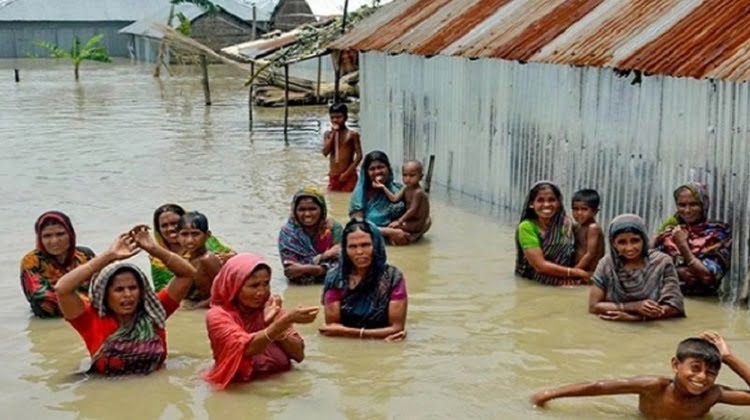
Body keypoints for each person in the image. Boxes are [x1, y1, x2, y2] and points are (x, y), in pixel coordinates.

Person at [54, 225, 196, 375]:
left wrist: (154, 249)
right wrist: (109, 256)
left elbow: (187, 274)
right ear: (105, 294)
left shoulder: (154, 312)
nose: (128, 294)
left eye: (133, 288)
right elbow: (62, 289)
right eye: (119, 290)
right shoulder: (91, 319)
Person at [531, 332, 750, 418]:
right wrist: (549, 394)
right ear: (676, 365)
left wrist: (729, 358)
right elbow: (599, 386)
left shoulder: (712, 395)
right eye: (695, 368)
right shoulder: (653, 386)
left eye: (710, 373)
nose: (702, 377)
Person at [204, 254, 319, 390]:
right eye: (254, 286)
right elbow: (246, 348)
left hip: (278, 389)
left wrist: (274, 323)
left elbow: (299, 355)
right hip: (238, 390)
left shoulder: (271, 307)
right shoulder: (217, 316)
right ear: (234, 286)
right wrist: (283, 322)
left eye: (266, 284)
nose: (261, 292)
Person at [319, 219, 407, 341]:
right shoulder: (335, 278)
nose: (359, 252)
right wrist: (368, 335)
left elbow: (397, 328)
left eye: (365, 245)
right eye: (352, 247)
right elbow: (332, 327)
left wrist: (356, 333)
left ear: (376, 245)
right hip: (358, 343)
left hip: (378, 344)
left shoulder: (393, 278)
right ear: (345, 249)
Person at [589, 214, 685, 322]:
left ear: (644, 239)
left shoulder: (662, 263)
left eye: (635, 240)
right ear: (613, 243)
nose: (629, 248)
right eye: (622, 242)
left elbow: (674, 307)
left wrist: (634, 318)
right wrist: (633, 306)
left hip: (653, 327)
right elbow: (594, 306)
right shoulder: (607, 264)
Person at [654, 182, 732, 296]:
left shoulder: (717, 233)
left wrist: (683, 246)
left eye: (693, 204)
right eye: (682, 205)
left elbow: (707, 277)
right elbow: (643, 267)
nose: (687, 210)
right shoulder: (670, 232)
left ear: (704, 204)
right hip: (664, 297)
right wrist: (677, 272)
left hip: (704, 301)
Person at [20, 211, 95, 318]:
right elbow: (43, 297)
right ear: (40, 238)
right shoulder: (32, 261)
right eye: (47, 236)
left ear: (70, 235)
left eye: (60, 234)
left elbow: (104, 283)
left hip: (89, 313)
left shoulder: (85, 255)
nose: (54, 241)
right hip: (51, 318)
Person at [515, 181, 589, 286]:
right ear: (531, 204)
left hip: (565, 280)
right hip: (534, 283)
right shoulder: (527, 227)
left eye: (551, 200)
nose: (546, 205)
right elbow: (540, 266)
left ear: (558, 203)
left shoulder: (566, 224)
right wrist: (574, 273)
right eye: (540, 200)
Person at [151, 203, 233, 291]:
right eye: (164, 225)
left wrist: (226, 259)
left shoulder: (206, 243)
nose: (170, 228)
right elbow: (161, 290)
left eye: (174, 223)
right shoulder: (158, 259)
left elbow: (233, 263)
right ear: (158, 230)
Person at [349, 151, 420, 245]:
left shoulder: (398, 189)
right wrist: (390, 232)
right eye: (372, 169)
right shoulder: (360, 195)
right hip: (375, 237)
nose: (377, 172)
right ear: (366, 173)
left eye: (381, 167)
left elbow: (417, 215)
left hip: (402, 235)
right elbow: (357, 226)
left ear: (388, 169)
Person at [278, 187, 343, 285]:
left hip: (331, 285)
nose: (307, 214)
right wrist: (324, 257)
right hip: (299, 287)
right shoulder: (288, 233)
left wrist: (306, 268)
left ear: (322, 209)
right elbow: (291, 271)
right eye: (302, 209)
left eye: (312, 209)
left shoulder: (334, 228)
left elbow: (344, 265)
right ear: (294, 211)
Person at [374, 160, 431, 239]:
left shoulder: (418, 192)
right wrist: (383, 187)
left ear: (420, 177)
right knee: (390, 225)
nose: (408, 179)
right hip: (410, 220)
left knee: (391, 228)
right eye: (405, 175)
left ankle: (413, 236)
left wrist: (399, 221)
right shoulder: (406, 188)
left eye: (412, 175)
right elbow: (394, 199)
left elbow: (412, 210)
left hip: (417, 223)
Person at [177, 212, 222, 309]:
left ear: (207, 235)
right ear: (178, 236)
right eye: (184, 234)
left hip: (208, 310)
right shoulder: (187, 259)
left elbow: (224, 291)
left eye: (195, 234)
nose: (189, 240)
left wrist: (196, 308)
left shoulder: (208, 259)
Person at [322, 103, 362, 192]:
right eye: (332, 117)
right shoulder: (328, 134)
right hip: (334, 175)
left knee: (348, 197)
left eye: (339, 117)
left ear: (346, 117)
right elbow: (325, 152)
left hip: (349, 175)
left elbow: (359, 156)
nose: (335, 120)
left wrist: (347, 173)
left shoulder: (352, 135)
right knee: (333, 198)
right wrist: (333, 135)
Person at [571, 189, 605, 273]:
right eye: (575, 209)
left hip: (590, 272)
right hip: (580, 269)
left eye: (584, 209)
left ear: (595, 212)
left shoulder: (593, 228)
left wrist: (574, 270)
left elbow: (590, 254)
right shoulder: (577, 227)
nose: (579, 213)